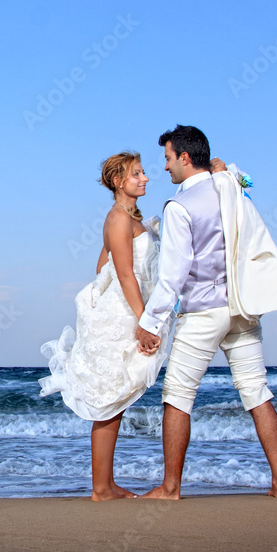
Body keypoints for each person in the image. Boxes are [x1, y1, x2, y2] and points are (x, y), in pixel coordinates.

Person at [135, 125, 277, 500]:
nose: (165, 168)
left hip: (204, 311)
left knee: (177, 395)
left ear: (185, 158)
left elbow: (173, 276)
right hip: (242, 307)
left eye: (168, 159)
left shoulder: (180, 206)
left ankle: (171, 488)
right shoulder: (230, 187)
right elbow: (241, 183)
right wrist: (222, 171)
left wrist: (149, 323)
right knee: (257, 392)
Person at [38, 151, 170, 501]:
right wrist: (145, 323)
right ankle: (101, 488)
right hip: (125, 317)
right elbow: (124, 274)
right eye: (137, 174)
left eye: (144, 173)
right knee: (111, 399)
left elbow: (104, 265)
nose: (144, 178)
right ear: (118, 181)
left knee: (116, 399)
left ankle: (105, 485)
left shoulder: (127, 218)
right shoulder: (118, 219)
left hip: (126, 311)